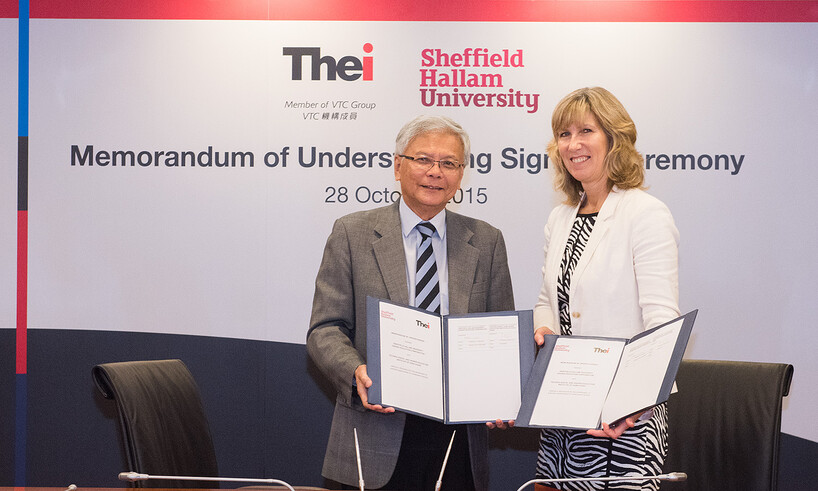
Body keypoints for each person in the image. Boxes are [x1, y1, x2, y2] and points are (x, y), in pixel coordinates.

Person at [307, 115, 515, 491]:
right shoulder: (351, 233)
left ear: (461, 174)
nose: (436, 172)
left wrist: (503, 392)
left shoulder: (486, 241)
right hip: (374, 432)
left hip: (458, 443)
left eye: (449, 163)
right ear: (398, 165)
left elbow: (499, 335)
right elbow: (326, 328)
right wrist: (356, 373)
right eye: (423, 159)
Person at [532, 87, 680, 491]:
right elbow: (549, 300)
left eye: (586, 131)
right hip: (565, 404)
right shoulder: (559, 218)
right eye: (564, 134)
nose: (573, 144)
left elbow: (662, 323)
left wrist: (630, 405)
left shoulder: (645, 214)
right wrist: (543, 329)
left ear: (614, 139)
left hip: (623, 416)